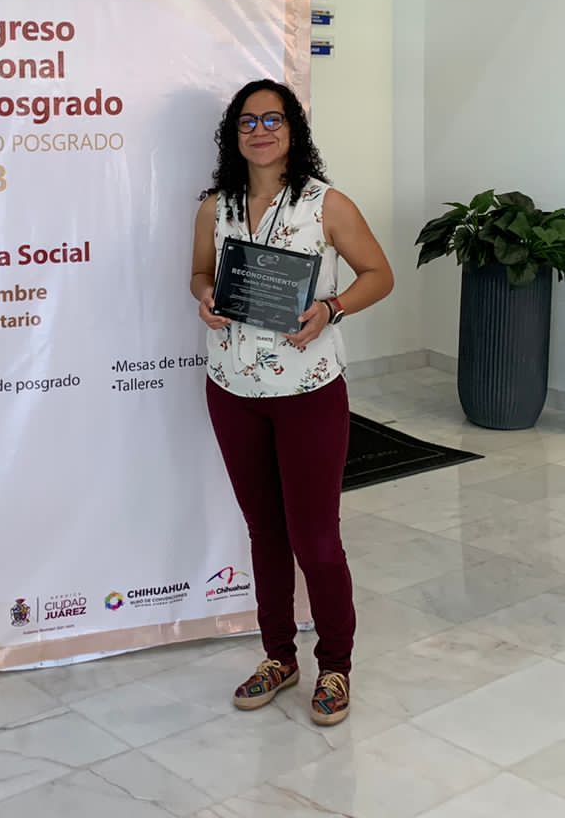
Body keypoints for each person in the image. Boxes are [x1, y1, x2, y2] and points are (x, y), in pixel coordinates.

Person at [190, 79, 394, 727]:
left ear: (293, 129)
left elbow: (379, 275)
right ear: (233, 134)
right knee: (265, 532)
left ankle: (335, 664)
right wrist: (204, 297)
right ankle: (279, 657)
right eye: (247, 122)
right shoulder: (215, 208)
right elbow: (199, 274)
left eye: (272, 119)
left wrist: (332, 308)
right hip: (233, 393)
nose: (260, 131)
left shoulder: (326, 205)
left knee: (316, 538)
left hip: (308, 394)